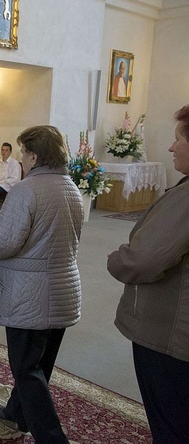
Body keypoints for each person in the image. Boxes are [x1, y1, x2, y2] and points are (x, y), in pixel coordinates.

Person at [0, 125, 83, 443]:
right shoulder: (71, 188)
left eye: (24, 151)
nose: (22, 157)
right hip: (63, 287)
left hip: (29, 293)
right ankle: (18, 412)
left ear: (35, 156)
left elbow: (5, 241)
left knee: (26, 367)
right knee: (40, 364)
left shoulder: (27, 189)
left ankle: (52, 438)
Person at [107, 105, 189, 443]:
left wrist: (116, 260)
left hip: (172, 336)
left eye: (177, 139)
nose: (171, 148)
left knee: (171, 424)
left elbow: (144, 259)